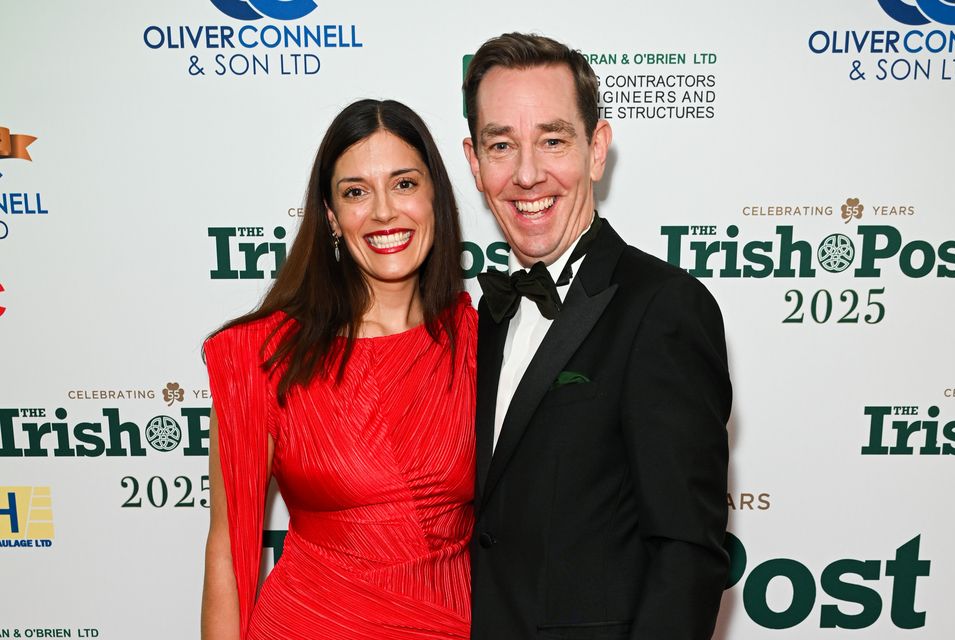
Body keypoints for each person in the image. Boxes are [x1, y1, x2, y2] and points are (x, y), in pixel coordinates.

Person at [461, 33, 732, 640]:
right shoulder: (487, 315)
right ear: (475, 163)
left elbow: (687, 555)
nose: (527, 174)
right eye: (501, 145)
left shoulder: (663, 308)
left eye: (552, 141)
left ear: (597, 149)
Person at [201, 99, 476, 639]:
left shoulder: (480, 341)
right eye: (356, 192)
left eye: (403, 184)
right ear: (330, 215)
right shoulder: (262, 356)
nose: (382, 213)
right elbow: (227, 555)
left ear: (434, 199)